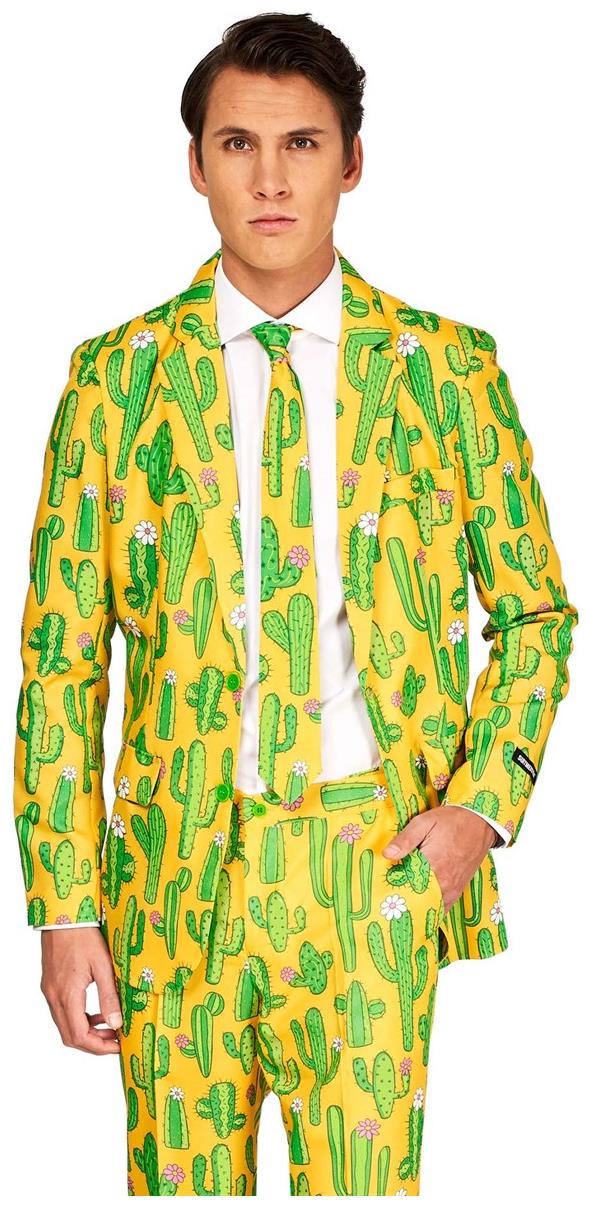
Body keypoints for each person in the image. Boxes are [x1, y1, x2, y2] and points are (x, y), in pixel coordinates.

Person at [13, 11, 578, 1197]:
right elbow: (62, 662)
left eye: (301, 144)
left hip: (370, 866)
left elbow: (534, 617)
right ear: (195, 164)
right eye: (237, 145)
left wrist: (479, 808)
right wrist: (63, 908)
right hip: (174, 881)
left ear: (351, 161)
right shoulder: (115, 381)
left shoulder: (445, 371)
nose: (269, 180)